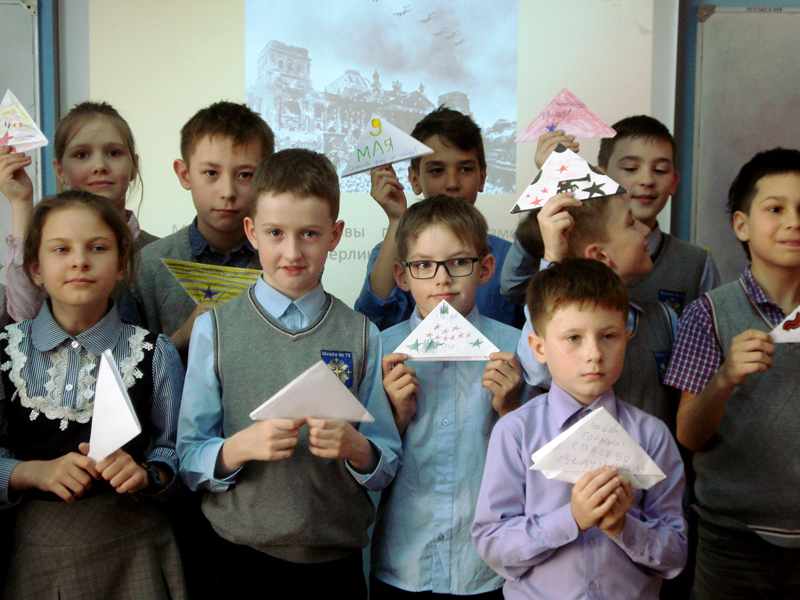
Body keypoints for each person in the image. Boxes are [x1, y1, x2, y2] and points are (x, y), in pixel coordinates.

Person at [177, 148, 401, 598]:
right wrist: (239, 447)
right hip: (237, 560)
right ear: (251, 232)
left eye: (310, 234)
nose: (292, 252)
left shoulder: (362, 334)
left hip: (334, 568)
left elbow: (387, 462)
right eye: (275, 233)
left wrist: (357, 448)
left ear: (335, 235)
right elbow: (188, 457)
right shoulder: (214, 329)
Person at [0, 190, 185, 599]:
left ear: (121, 266)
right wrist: (31, 472)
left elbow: (175, 451)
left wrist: (147, 474)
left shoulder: (154, 352)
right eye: (61, 249)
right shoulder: (6, 351)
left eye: (98, 248)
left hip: (136, 547)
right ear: (35, 269)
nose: (80, 261)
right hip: (37, 552)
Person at [472, 258, 687, 599]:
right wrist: (570, 519)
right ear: (539, 348)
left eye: (608, 336)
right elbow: (492, 546)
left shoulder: (652, 436)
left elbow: (675, 555)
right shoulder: (515, 432)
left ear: (627, 338)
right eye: (573, 337)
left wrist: (622, 527)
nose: (594, 354)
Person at [664, 148, 800, 599]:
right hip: (731, 543)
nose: (794, 222)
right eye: (776, 209)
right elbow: (689, 434)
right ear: (742, 225)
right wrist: (725, 378)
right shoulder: (709, 314)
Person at [372, 195, 522, 598]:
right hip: (404, 563)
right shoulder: (381, 351)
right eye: (424, 265)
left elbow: (539, 468)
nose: (442, 279)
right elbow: (364, 471)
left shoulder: (516, 350)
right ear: (402, 276)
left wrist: (511, 409)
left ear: (485, 268)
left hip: (486, 568)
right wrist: (395, 417)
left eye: (458, 262)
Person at [501, 116, 720, 315]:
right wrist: (550, 186)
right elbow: (513, 289)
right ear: (602, 175)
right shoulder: (569, 243)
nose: (647, 180)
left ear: (674, 181)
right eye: (630, 168)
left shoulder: (696, 264)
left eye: (660, 170)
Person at [122, 101, 274, 356]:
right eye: (211, 173)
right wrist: (180, 339)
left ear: (266, 178)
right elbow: (127, 366)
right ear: (184, 174)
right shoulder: (147, 268)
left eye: (245, 175)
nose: (227, 192)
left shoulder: (282, 262)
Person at [515, 192, 679, 429]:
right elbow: (539, 370)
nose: (645, 230)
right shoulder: (552, 331)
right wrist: (553, 260)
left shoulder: (664, 318)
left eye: (609, 336)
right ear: (600, 255)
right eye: (631, 223)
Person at [354, 106, 523, 330]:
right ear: (415, 179)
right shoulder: (391, 250)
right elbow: (372, 323)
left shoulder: (510, 258)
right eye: (436, 171)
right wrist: (397, 221)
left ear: (482, 177)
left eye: (465, 169)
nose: (452, 183)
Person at [1, 101, 156, 322]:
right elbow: (25, 320)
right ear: (60, 170)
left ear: (134, 166)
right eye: (82, 155)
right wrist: (21, 202)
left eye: (113, 153)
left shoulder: (158, 254)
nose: (100, 166)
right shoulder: (46, 255)